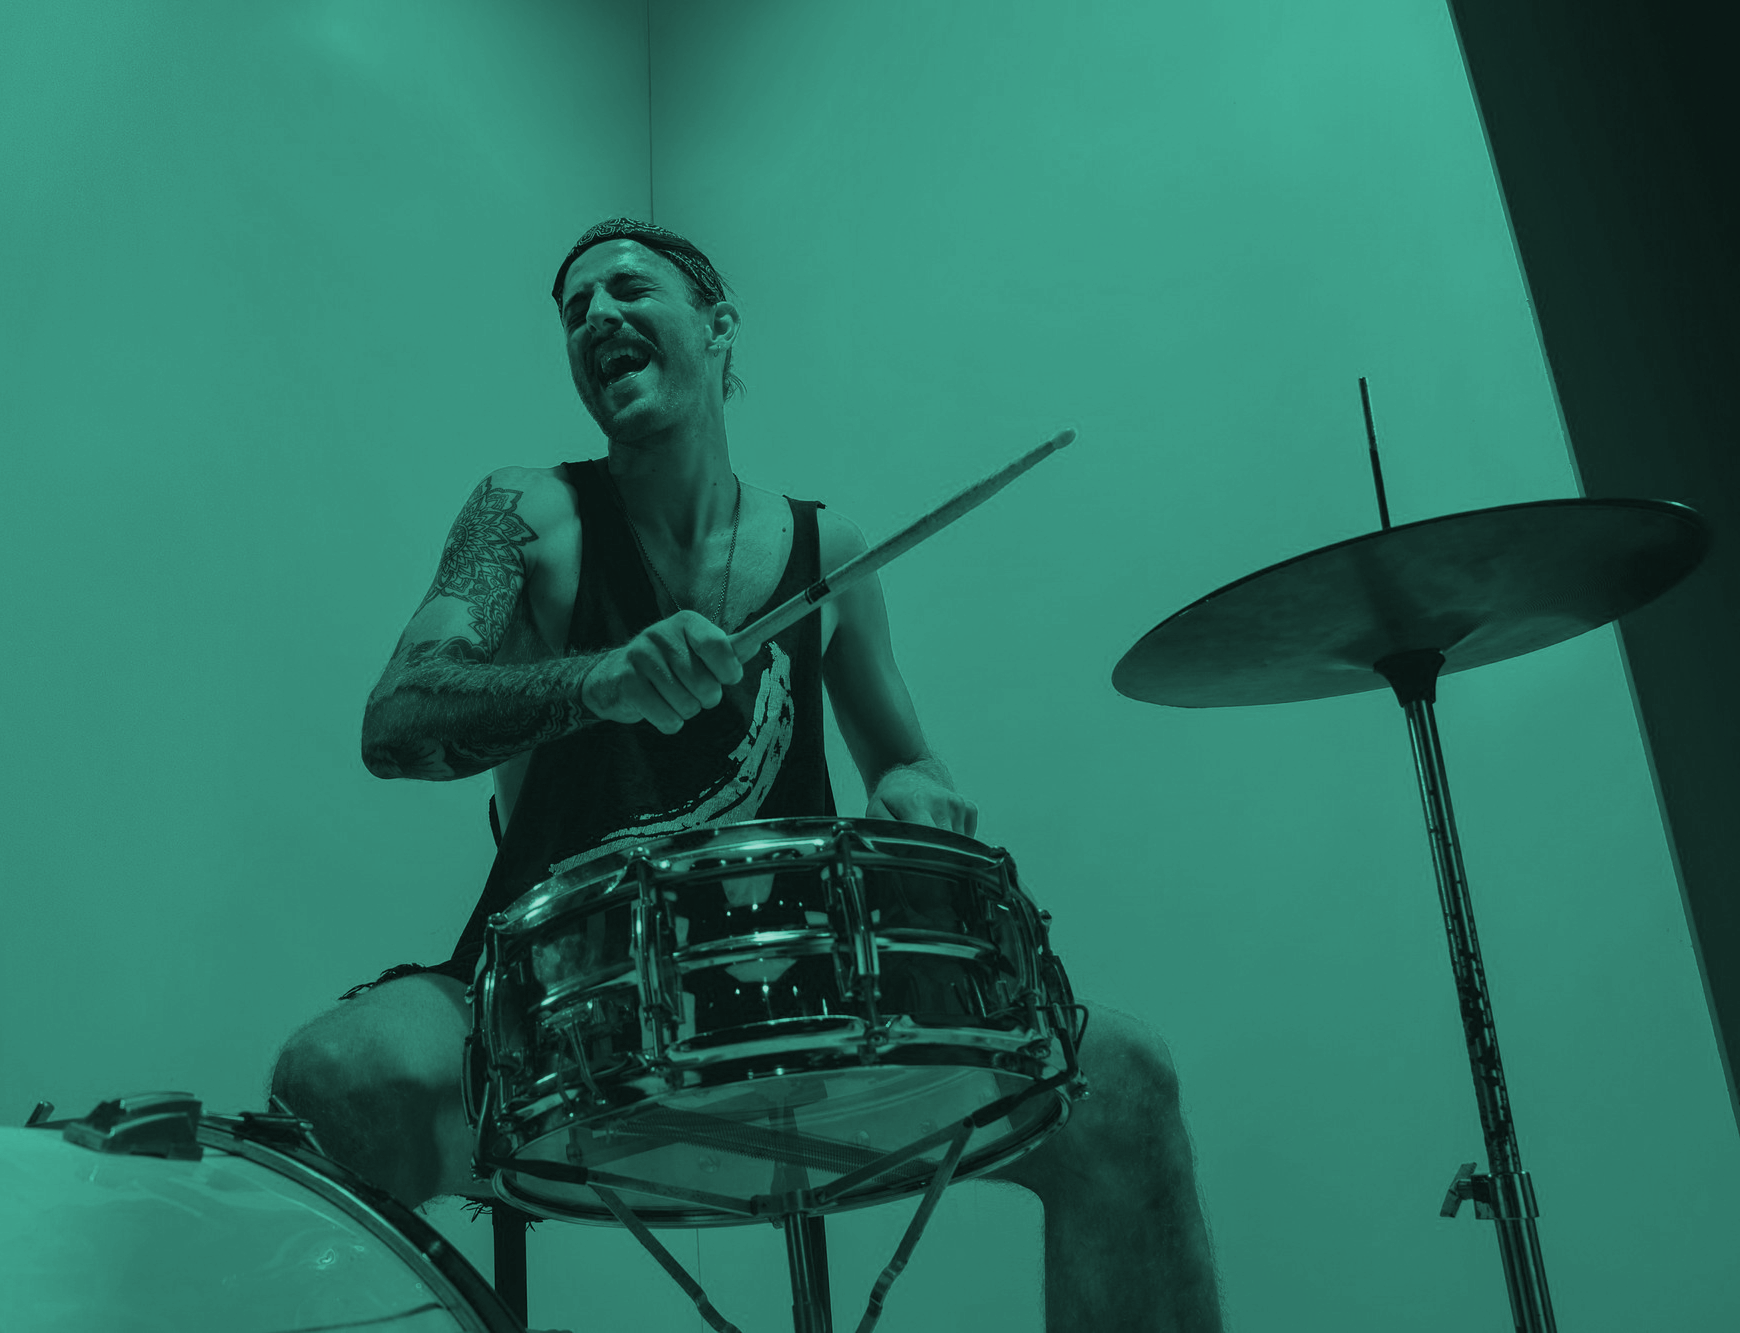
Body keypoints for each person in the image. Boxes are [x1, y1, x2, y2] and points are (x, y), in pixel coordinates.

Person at [272, 218, 1224, 1332]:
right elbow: (397, 718)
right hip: (551, 1001)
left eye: (629, 289)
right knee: (337, 1074)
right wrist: (595, 681)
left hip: (794, 989)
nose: (595, 316)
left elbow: (903, 755)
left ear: (717, 324)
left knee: (1124, 1079)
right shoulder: (530, 516)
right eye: (574, 310)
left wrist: (915, 789)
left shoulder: (831, 552)